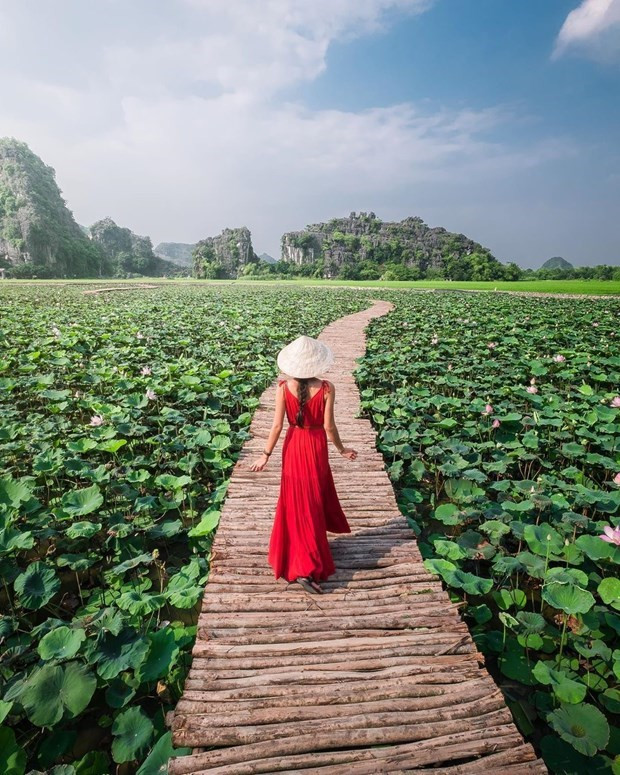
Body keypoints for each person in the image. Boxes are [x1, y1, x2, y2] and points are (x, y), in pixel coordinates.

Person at [250, 335, 357, 594]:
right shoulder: (328, 388)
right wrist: (342, 450)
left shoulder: (281, 387)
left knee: (295, 503)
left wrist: (265, 454)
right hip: (316, 446)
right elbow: (330, 427)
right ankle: (306, 567)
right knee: (313, 502)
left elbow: (276, 425)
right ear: (316, 364)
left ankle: (296, 559)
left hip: (294, 445)